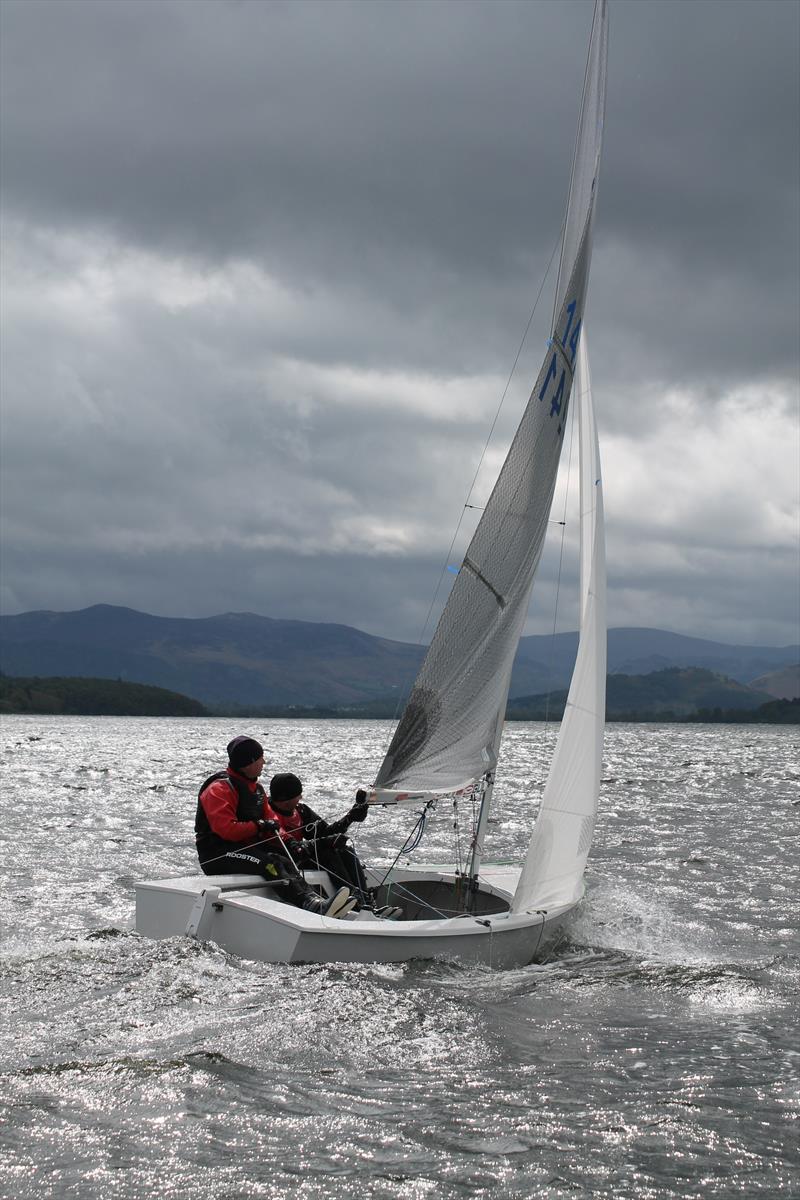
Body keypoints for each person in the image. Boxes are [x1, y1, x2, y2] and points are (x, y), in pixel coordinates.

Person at [195, 736, 355, 919]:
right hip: (217, 854)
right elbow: (226, 829)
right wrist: (259, 826)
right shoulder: (219, 789)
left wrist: (290, 842)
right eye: (261, 757)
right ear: (250, 762)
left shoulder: (257, 790)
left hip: (242, 850)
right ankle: (309, 905)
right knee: (268, 864)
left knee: (283, 859)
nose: (264, 762)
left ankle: (314, 900)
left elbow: (273, 822)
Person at [267, 772, 402, 919]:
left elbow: (325, 833)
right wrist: (325, 842)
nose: (301, 798)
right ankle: (356, 903)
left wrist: (350, 817)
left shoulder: (301, 811)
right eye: (298, 795)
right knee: (327, 854)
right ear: (285, 799)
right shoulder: (268, 814)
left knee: (345, 850)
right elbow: (293, 847)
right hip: (288, 859)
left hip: (305, 854)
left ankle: (367, 904)